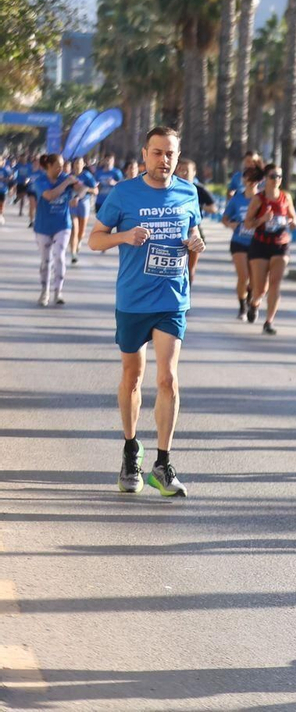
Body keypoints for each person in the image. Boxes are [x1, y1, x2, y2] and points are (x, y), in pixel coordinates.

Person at [89, 126, 205, 497]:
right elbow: (94, 239)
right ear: (145, 154)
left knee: (169, 378)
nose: (164, 160)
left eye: (170, 153)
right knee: (132, 376)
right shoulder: (123, 194)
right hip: (133, 300)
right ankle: (129, 450)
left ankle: (163, 462)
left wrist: (196, 246)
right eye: (157, 153)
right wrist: (123, 236)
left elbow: (194, 243)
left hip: (171, 300)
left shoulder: (188, 193)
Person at [243, 165, 296, 335]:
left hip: (280, 244)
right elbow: (247, 223)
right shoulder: (258, 199)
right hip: (260, 244)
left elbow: (293, 217)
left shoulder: (285, 197)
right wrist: (262, 219)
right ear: (265, 178)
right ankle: (253, 303)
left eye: (279, 176)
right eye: (273, 176)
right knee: (260, 289)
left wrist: (292, 222)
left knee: (275, 284)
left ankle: (269, 321)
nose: (277, 180)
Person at [30, 153, 79, 306]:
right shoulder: (40, 181)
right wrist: (66, 183)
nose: (61, 168)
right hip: (43, 227)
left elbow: (83, 188)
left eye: (63, 165)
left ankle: (58, 292)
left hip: (62, 225)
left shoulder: (66, 177)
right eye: (58, 165)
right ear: (49, 166)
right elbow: (49, 196)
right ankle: (45, 292)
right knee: (46, 261)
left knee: (59, 256)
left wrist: (79, 192)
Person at [222, 168, 261, 320]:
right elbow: (225, 218)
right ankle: (242, 306)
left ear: (260, 181)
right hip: (239, 241)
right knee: (243, 276)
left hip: (257, 243)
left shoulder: (261, 199)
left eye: (255, 179)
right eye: (248, 178)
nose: (251, 182)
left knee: (254, 279)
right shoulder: (237, 199)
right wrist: (230, 224)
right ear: (244, 180)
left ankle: (252, 300)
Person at [67, 156, 95, 263]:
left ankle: (79, 241)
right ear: (73, 165)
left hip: (84, 203)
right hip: (72, 203)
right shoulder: (69, 176)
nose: (77, 166)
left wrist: (85, 188)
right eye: (76, 164)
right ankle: (73, 253)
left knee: (81, 231)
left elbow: (95, 190)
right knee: (74, 228)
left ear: (83, 165)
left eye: (80, 163)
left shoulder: (87, 176)